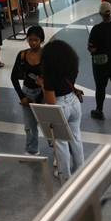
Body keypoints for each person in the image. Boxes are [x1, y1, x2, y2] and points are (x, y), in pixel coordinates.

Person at [40, 39, 84, 183]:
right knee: (76, 138)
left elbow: (50, 101)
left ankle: (65, 176)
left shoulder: (49, 73)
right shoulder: (71, 65)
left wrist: (42, 85)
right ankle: (81, 171)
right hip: (74, 102)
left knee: (61, 143)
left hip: (60, 105)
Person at [11, 26, 44, 155]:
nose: (33, 43)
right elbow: (13, 77)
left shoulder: (46, 55)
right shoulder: (22, 55)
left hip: (44, 94)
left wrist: (39, 98)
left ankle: (58, 149)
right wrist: (22, 97)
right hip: (27, 92)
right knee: (29, 126)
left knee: (50, 124)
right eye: (30, 40)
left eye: (36, 40)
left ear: (41, 40)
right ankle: (32, 150)